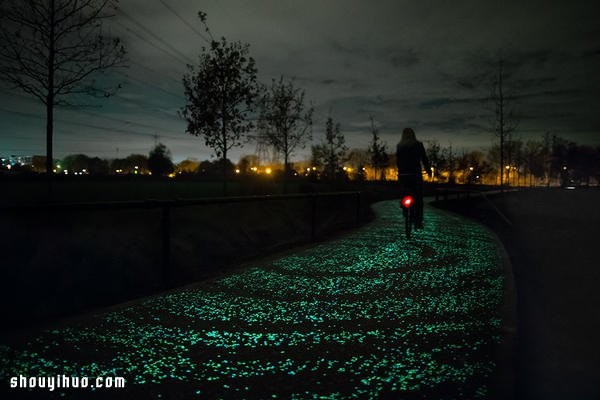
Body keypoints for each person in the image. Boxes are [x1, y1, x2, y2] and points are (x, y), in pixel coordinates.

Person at [396, 127, 430, 229]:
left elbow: (398, 161)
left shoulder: (399, 146)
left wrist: (401, 170)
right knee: (418, 198)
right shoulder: (418, 145)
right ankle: (418, 222)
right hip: (415, 174)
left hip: (403, 175)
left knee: (403, 192)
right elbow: (424, 158)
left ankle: (404, 208)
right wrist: (428, 170)